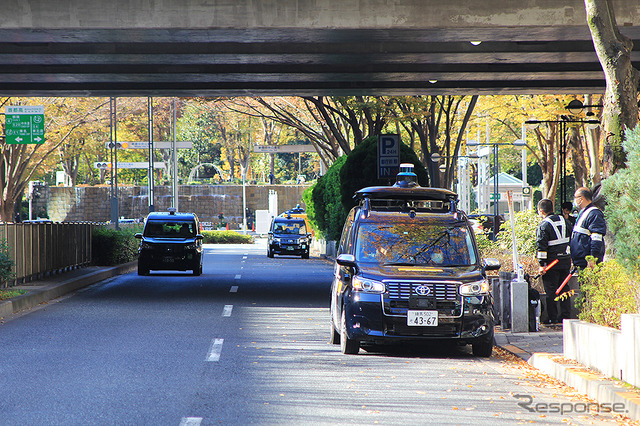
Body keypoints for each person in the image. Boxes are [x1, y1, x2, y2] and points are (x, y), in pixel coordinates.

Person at [536, 199, 572, 324]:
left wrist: (541, 264)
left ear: (541, 210)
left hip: (552, 263)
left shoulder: (544, 225)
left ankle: (552, 318)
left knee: (551, 291)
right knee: (564, 289)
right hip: (565, 261)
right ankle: (565, 316)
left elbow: (541, 246)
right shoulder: (565, 221)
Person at [570, 187, 607, 269]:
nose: (574, 200)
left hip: (588, 262)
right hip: (580, 260)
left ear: (581, 198)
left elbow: (596, 238)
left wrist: (593, 258)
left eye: (575, 197)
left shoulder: (594, 213)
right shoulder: (583, 212)